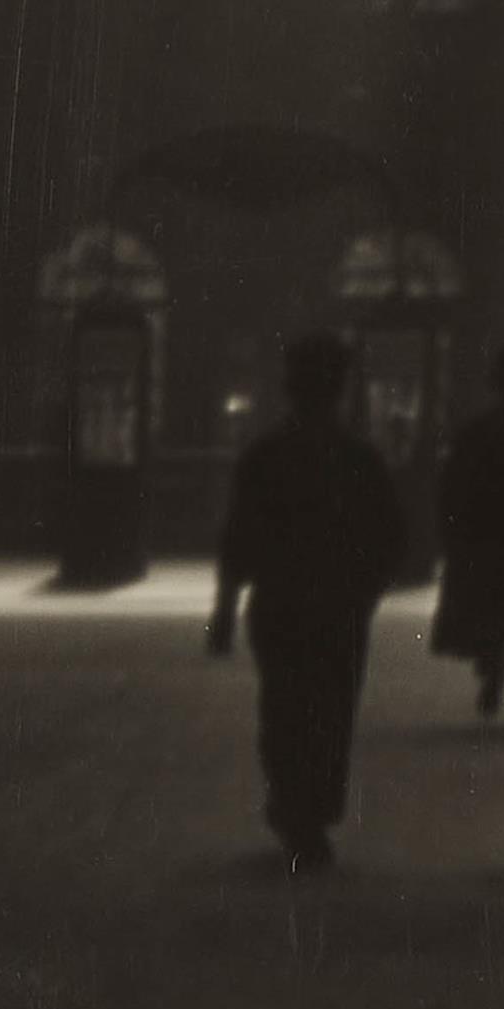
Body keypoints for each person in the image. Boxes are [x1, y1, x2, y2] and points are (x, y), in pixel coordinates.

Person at [207, 330, 406, 873]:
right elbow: (390, 539)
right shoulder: (360, 460)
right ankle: (314, 808)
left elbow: (238, 537)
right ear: (339, 390)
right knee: (332, 709)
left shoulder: (264, 456)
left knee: (284, 706)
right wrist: (366, 591)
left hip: (279, 604)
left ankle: (292, 802)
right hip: (339, 607)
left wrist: (225, 607)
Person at [430, 348, 504, 715]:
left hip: (486, 536)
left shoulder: (477, 432)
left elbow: (454, 488)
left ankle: (493, 665)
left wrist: (453, 534)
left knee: (491, 608)